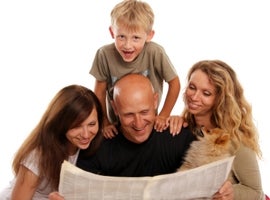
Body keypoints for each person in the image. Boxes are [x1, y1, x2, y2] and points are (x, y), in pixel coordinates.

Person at [49, 74, 234, 200]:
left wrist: (224, 192)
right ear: (115, 108)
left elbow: (207, 182)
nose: (138, 124)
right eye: (129, 115)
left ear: (155, 101)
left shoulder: (179, 135)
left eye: (145, 112)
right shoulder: (97, 146)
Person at [168, 60, 265, 199]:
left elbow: (256, 192)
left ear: (220, 99)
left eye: (206, 93)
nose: (194, 97)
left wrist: (232, 193)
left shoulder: (235, 138)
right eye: (192, 87)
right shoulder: (186, 126)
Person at [90, 0, 180, 138]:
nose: (127, 45)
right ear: (112, 32)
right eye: (121, 37)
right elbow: (99, 92)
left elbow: (174, 83)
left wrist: (163, 115)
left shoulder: (155, 52)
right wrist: (105, 123)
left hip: (148, 124)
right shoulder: (104, 55)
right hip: (118, 126)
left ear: (149, 35)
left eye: (136, 38)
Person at [0, 85, 103, 200]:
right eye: (76, 126)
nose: (85, 134)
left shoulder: (93, 149)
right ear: (60, 123)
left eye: (92, 124)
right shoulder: (37, 156)